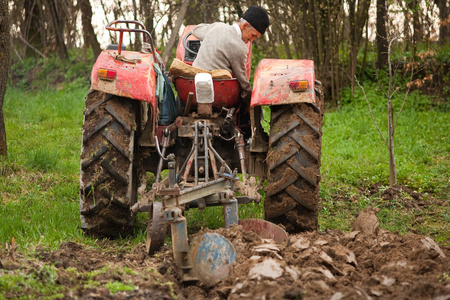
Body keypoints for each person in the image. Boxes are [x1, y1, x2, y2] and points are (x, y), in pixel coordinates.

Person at [191, 6, 270, 99]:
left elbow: (195, 30)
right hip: (218, 89)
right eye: (253, 35)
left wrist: (214, 30)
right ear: (245, 25)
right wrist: (249, 94)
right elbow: (242, 80)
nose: (251, 40)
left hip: (193, 81)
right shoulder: (240, 48)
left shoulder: (217, 27)